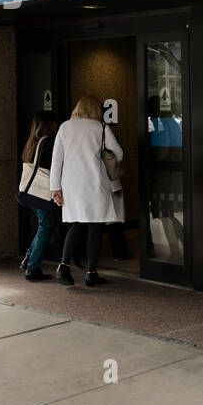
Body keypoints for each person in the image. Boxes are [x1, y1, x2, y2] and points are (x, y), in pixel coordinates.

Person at [50, 96, 123, 288]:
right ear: (96, 110)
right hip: (95, 182)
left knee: (77, 223)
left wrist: (55, 188)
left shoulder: (66, 127)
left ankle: (64, 266)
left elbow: (56, 159)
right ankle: (91, 273)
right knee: (95, 226)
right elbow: (118, 153)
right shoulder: (100, 127)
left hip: (71, 183)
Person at [17, 110, 59, 281]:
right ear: (49, 124)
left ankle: (29, 257)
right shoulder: (48, 142)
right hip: (41, 194)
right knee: (45, 228)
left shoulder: (31, 143)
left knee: (43, 226)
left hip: (30, 194)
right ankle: (32, 268)